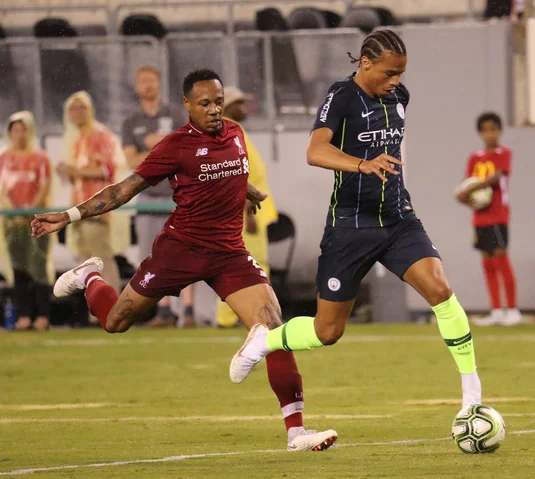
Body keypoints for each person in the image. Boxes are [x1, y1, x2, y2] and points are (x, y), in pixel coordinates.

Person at [31, 69, 337, 452]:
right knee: (115, 321)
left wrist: (250, 191)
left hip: (229, 254)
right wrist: (68, 214)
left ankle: (296, 433)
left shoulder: (235, 134)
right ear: (187, 105)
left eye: (219, 102)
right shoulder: (175, 146)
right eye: (205, 103)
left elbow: (232, 172)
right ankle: (91, 276)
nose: (214, 110)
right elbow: (123, 190)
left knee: (272, 330)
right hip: (180, 250)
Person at [229, 30, 483, 411]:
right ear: (365, 64)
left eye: (400, 74)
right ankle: (264, 341)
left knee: (440, 291)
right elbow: (315, 151)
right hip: (350, 225)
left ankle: (472, 399)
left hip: (398, 219)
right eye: (389, 73)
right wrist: (362, 164)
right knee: (326, 331)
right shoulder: (342, 96)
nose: (396, 82)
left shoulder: (399, 97)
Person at [122, 65, 194, 328]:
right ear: (137, 86)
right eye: (143, 81)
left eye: (152, 80)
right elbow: (131, 161)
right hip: (148, 197)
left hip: (179, 194)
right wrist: (164, 147)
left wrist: (156, 146)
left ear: (159, 84)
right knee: (153, 256)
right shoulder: (131, 122)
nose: (148, 85)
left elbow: (186, 151)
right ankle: (163, 311)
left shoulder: (176, 114)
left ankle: (188, 310)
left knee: (185, 253)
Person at [216, 86, 278, 328]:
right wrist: (247, 211)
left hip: (247, 211)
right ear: (228, 107)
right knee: (251, 266)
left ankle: (234, 317)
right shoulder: (231, 131)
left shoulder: (232, 130)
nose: (245, 107)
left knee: (238, 266)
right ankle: (251, 316)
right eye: (239, 103)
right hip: (245, 213)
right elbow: (236, 174)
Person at [57, 91, 127, 294]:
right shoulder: (76, 139)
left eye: (82, 107)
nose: (77, 113)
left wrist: (75, 171)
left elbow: (109, 169)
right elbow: (78, 176)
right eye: (72, 108)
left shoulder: (100, 135)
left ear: (90, 110)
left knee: (102, 258)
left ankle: (114, 307)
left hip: (96, 209)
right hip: (79, 209)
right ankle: (98, 309)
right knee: (86, 263)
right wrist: (66, 172)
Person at [456, 112, 521, 326]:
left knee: (501, 258)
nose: (490, 134)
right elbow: (465, 186)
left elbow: (495, 178)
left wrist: (469, 189)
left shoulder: (504, 154)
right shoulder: (475, 157)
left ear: (500, 130)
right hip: (480, 218)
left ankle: (512, 309)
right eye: (485, 130)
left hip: (498, 215)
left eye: (493, 129)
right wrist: (465, 198)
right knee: (487, 263)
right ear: (480, 133)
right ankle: (496, 310)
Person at [0, 111, 52, 330]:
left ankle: (43, 315)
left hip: (36, 221)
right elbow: (2, 189)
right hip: (12, 222)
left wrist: (29, 213)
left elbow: (44, 187)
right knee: (18, 268)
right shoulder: (4, 158)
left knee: (38, 267)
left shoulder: (40, 158)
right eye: (15, 130)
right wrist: (12, 212)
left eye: (23, 130)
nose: (19, 135)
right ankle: (23, 315)